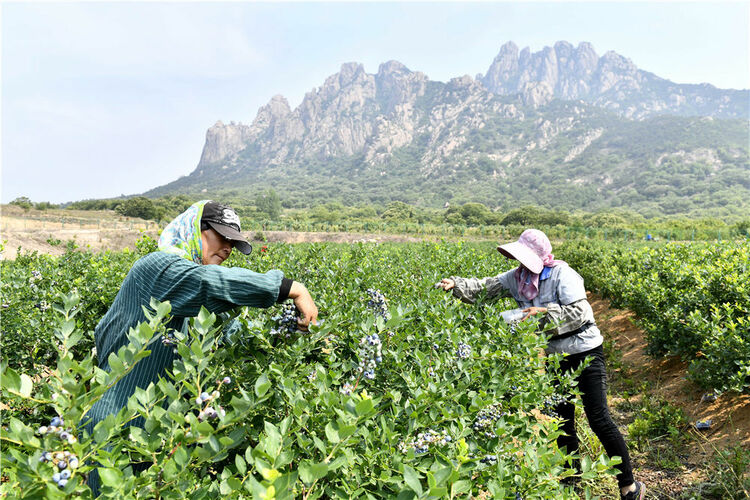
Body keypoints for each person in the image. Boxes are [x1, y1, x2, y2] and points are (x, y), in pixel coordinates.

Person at [83, 200, 318, 496]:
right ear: (196, 230)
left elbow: (231, 339)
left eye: (233, 243)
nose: (227, 248)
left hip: (155, 437)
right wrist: (290, 288)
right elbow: (207, 283)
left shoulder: (191, 302)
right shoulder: (158, 267)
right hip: (114, 427)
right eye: (221, 237)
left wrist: (285, 332)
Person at [436, 229, 645, 500]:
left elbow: (580, 312)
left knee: (599, 418)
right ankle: (572, 487)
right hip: (556, 356)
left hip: (585, 352)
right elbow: (487, 287)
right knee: (561, 422)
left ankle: (629, 487)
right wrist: (456, 284)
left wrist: (544, 313)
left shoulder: (562, 274)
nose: (521, 263)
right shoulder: (517, 277)